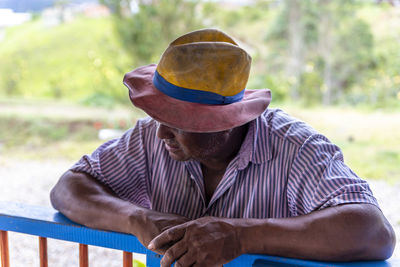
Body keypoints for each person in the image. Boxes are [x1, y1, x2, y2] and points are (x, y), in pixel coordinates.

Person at [50, 29, 395, 267]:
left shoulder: (294, 148)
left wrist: (241, 236)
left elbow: (372, 230)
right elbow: (68, 188)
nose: (161, 134)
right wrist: (138, 218)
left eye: (178, 121)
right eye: (159, 116)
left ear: (228, 120)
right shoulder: (148, 139)